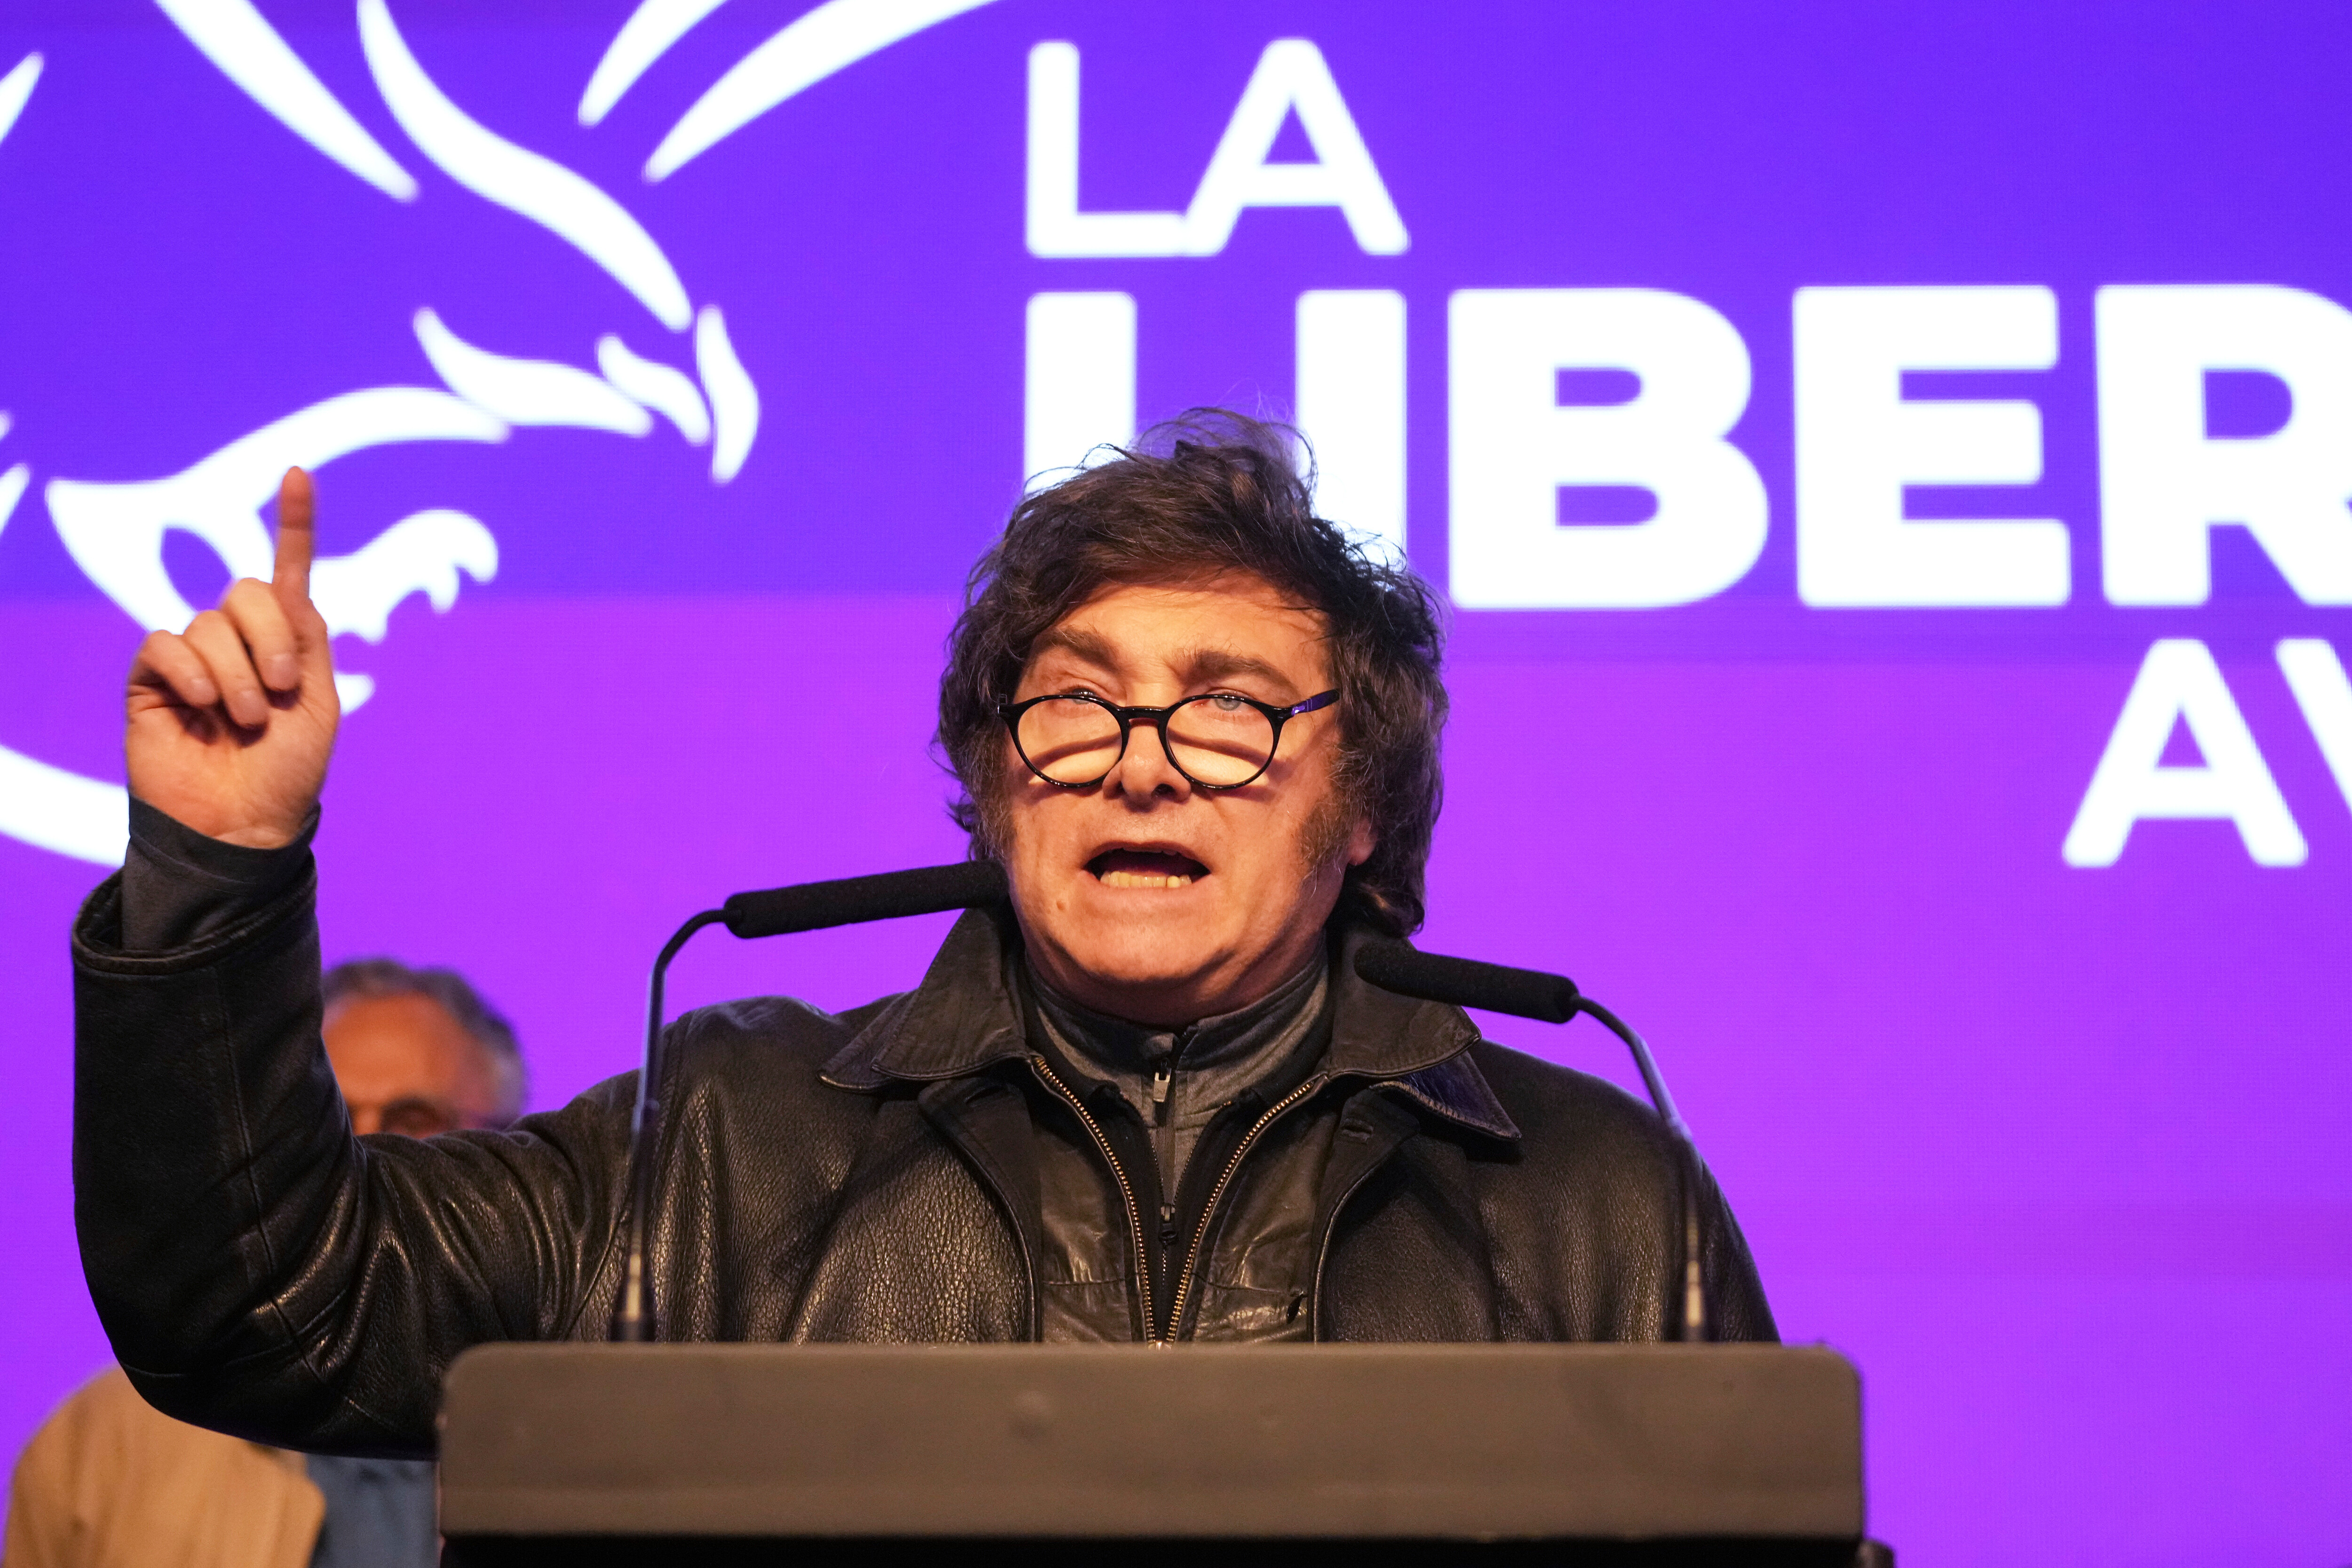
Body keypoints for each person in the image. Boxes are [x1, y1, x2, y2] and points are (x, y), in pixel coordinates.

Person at [69, 412, 1772, 1457]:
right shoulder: (721, 1139)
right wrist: (218, 862)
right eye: (1076, 702)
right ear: (995, 780)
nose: (1142, 759)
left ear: (1364, 805)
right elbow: (264, 1307)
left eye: (1230, 708)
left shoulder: (1597, 1198)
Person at [12, 961, 524, 1567]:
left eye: (413, 1122)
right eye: (329, 1120)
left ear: (506, 1154)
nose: (360, 1152)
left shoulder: (577, 1426)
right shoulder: (103, 1447)